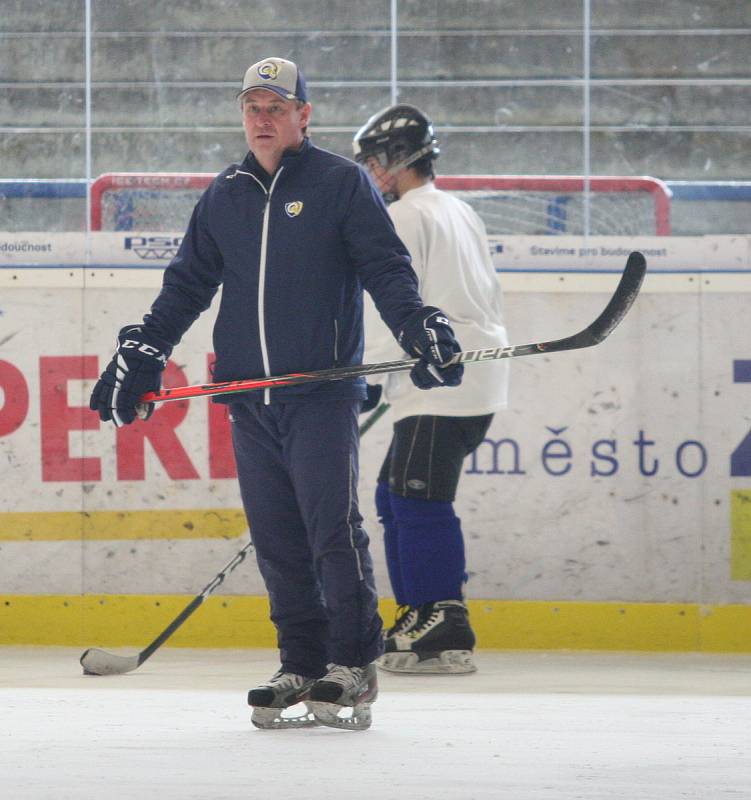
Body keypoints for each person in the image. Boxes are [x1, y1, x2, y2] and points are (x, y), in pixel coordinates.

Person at [89, 59, 463, 731]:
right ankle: (300, 659)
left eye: (276, 106)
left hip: (316, 392)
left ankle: (351, 661)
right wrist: (145, 350)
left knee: (330, 532)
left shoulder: (341, 183)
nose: (262, 118)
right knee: (276, 539)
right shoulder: (225, 193)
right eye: (252, 106)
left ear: (303, 116)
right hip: (247, 397)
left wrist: (417, 325)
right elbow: (187, 286)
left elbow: (384, 267)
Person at [353, 104, 510, 675]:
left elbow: (395, 302)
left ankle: (442, 618)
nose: (370, 173)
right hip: (469, 377)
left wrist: (366, 377)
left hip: (439, 381)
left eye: (373, 161)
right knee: (392, 495)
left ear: (398, 161)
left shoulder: (405, 217)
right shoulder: (460, 210)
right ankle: (419, 612)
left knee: (418, 496)